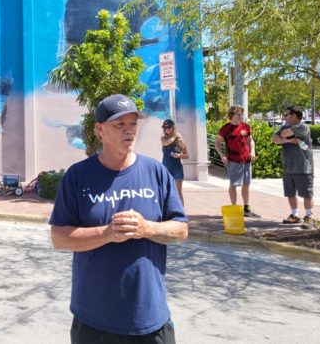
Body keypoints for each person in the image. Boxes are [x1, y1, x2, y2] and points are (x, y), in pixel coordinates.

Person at [50, 94, 188, 343]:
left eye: (133, 123)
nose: (129, 131)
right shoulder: (78, 176)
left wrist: (146, 228)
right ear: (99, 130)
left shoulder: (156, 172)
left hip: (149, 319)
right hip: (95, 321)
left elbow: (181, 229)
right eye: (119, 124)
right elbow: (59, 238)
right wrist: (108, 233)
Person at [272, 105, 315, 224]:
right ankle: (295, 215)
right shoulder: (284, 126)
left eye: (286, 115)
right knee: (290, 193)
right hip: (288, 168)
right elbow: (275, 139)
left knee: (307, 194)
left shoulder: (303, 127)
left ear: (295, 116)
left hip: (303, 168)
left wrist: (284, 137)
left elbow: (285, 133)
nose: (284, 117)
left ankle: (309, 217)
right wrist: (288, 140)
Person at [214, 105, 259, 218]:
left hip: (246, 160)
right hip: (234, 160)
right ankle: (234, 208)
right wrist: (222, 156)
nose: (240, 116)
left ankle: (246, 208)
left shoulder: (246, 127)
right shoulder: (225, 128)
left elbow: (251, 140)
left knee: (246, 184)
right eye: (238, 114)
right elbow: (217, 143)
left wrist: (252, 151)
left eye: (241, 114)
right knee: (233, 184)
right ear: (232, 115)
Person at [160, 119, 189, 204]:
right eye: (165, 128)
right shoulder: (163, 139)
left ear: (173, 128)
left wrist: (179, 155)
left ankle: (181, 214)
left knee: (178, 193)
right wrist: (176, 136)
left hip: (177, 169)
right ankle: (168, 213)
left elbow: (187, 155)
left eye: (169, 127)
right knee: (165, 192)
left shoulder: (179, 140)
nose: (167, 129)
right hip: (165, 168)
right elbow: (166, 143)